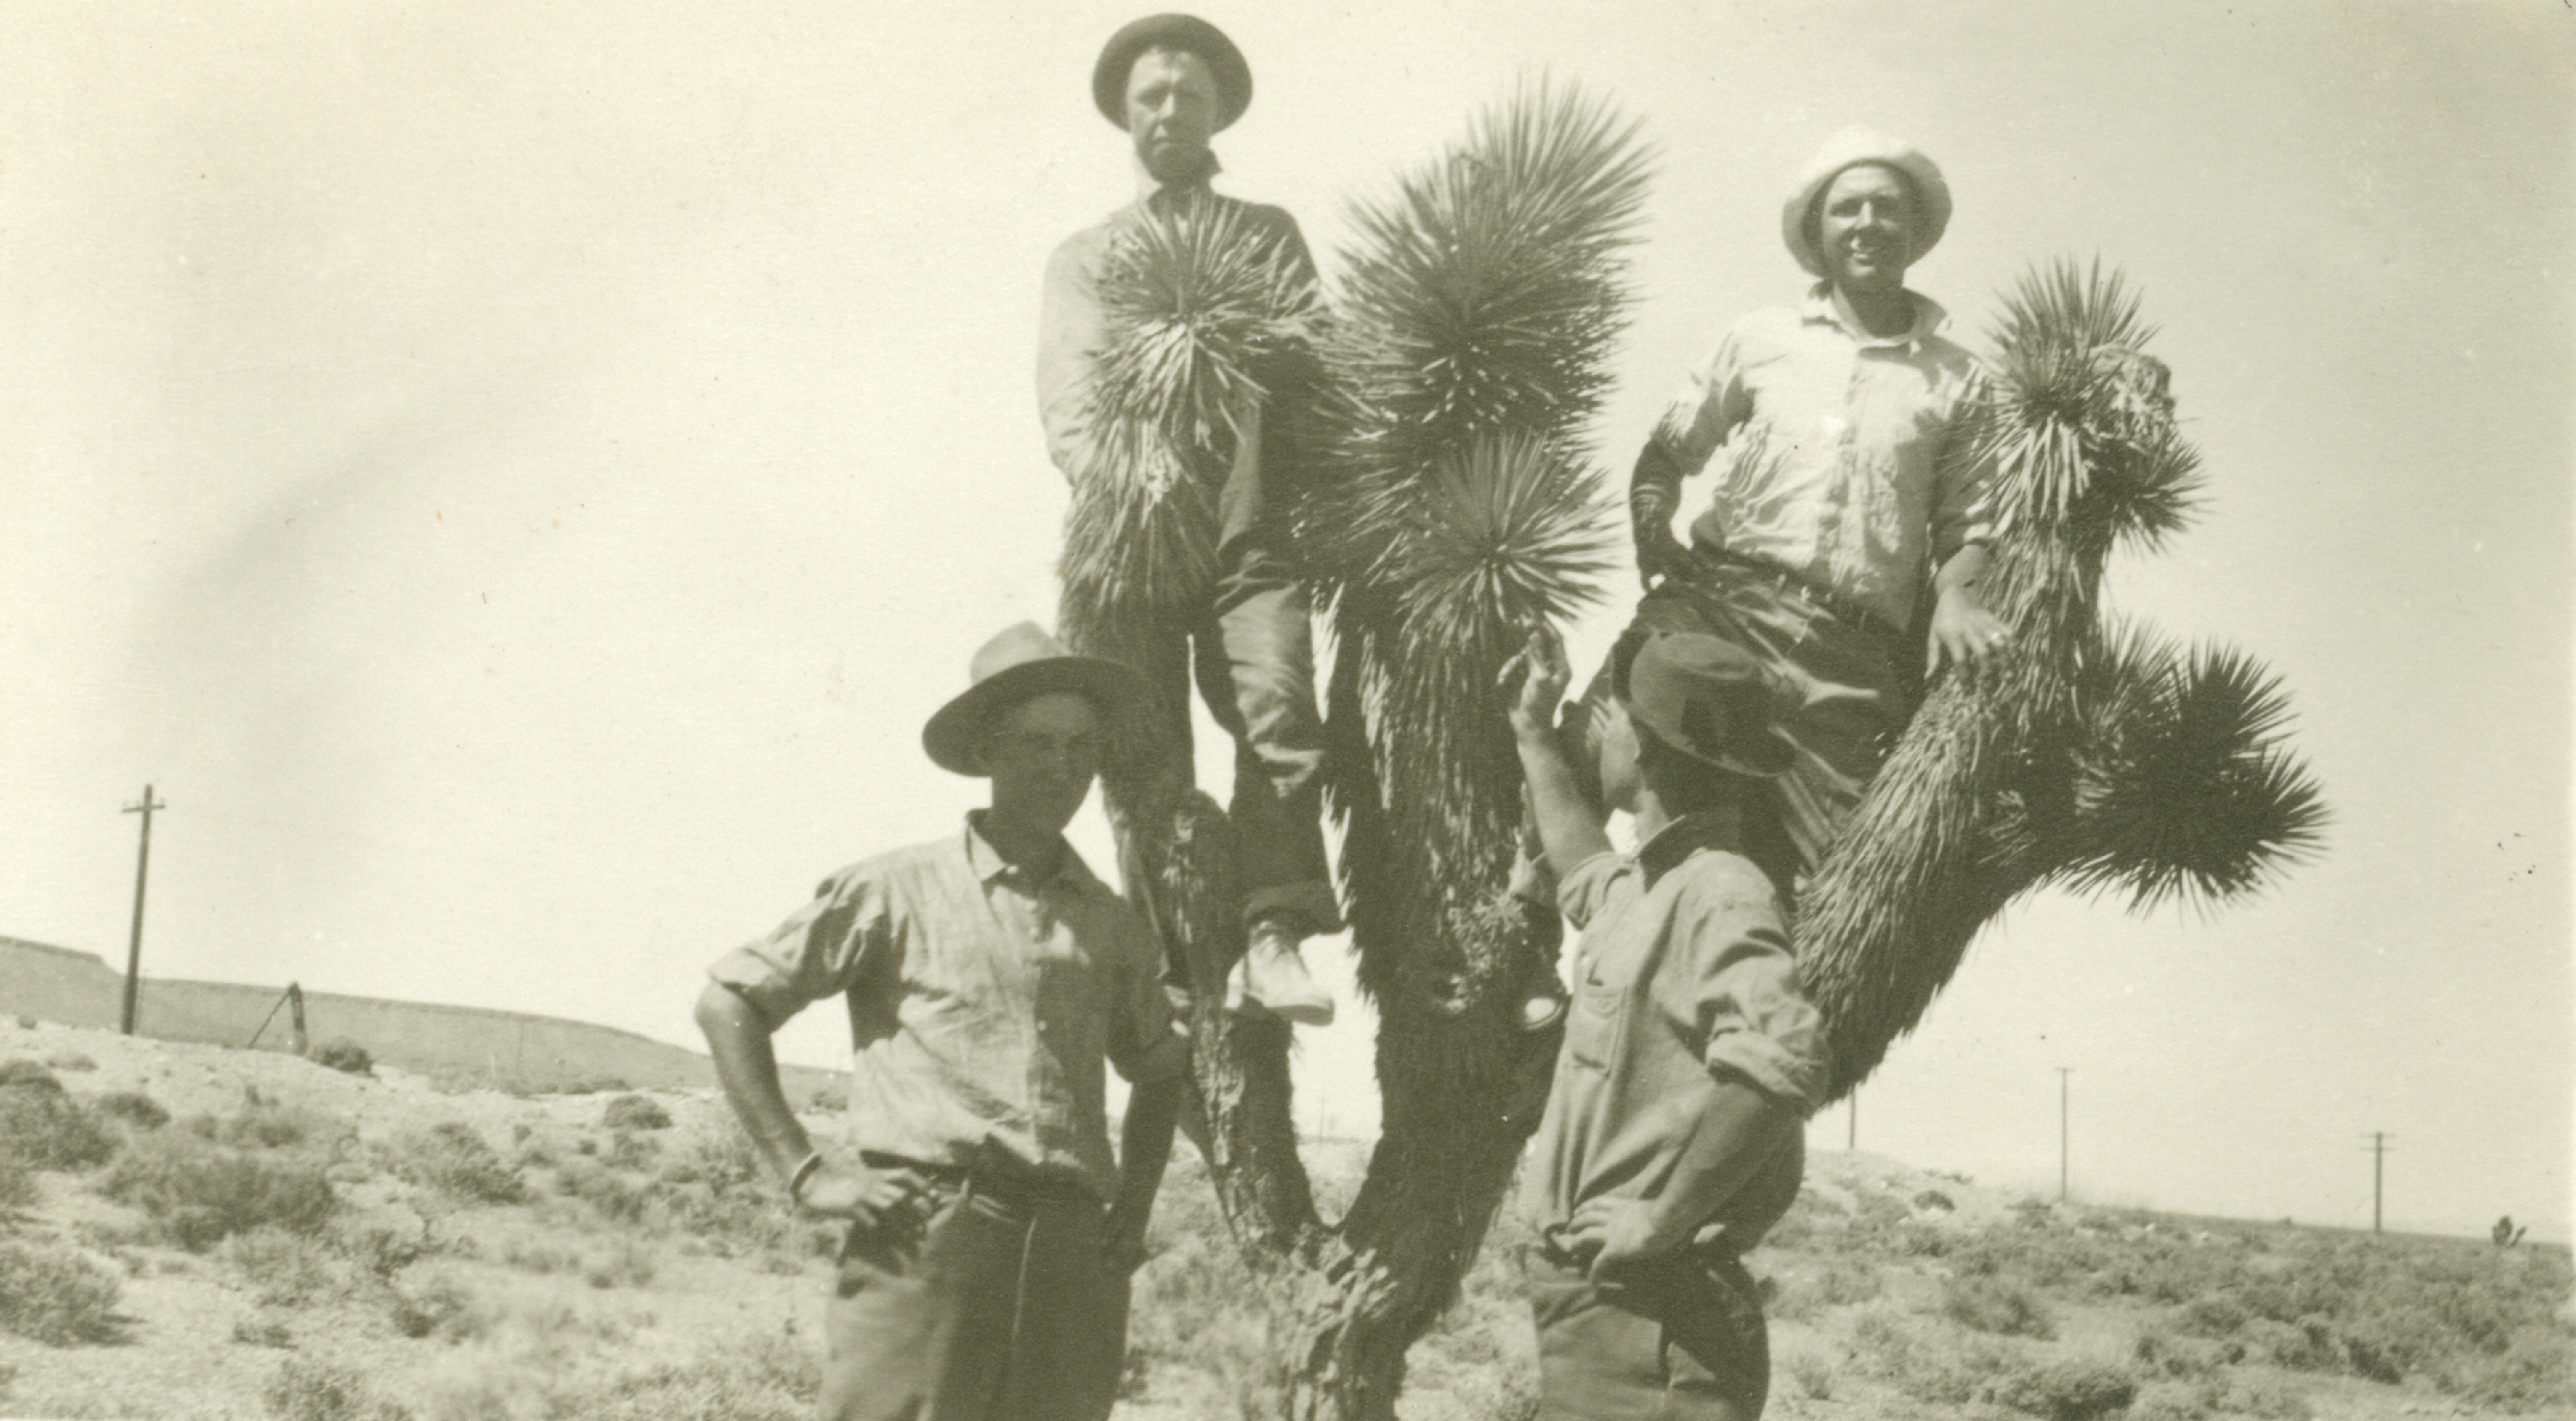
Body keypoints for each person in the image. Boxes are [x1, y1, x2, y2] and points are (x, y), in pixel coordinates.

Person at [694, 622, 1190, 1421]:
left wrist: (1132, 1210)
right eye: (1037, 742)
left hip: (1069, 1253)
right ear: (989, 750)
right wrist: (805, 1170)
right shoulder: (894, 889)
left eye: (1080, 746)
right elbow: (730, 1002)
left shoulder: (1114, 922)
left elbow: (1162, 1067)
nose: (1062, 766)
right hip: (928, 1236)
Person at [1036, 13, 1338, 1025]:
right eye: (1151, 96)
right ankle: (1169, 966)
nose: (1170, 111)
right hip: (1132, 535)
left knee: (1281, 711)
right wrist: (1135, 487)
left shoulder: (1266, 234)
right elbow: (1069, 406)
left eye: (1189, 96)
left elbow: (1320, 361)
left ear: (1217, 115)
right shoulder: (1088, 257)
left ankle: (1272, 931)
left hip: (1252, 524)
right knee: (1143, 753)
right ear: (1126, 114)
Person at [1624, 128, 2012, 885]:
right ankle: (1534, 920)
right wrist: (1650, 524)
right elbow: (1669, 449)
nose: (1868, 223)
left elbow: (1971, 523)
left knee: (1828, 875)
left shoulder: (1962, 380)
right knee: (1611, 748)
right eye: (1848, 209)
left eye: (1887, 209)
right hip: (1723, 605)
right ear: (1818, 232)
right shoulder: (1761, 337)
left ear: (1914, 230)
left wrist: (1959, 595)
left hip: (1850, 654)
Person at [1503, 622, 1828, 1421]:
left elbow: (1781, 1058)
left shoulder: (1720, 889)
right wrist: (1532, 734)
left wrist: (1661, 1217)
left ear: (1640, 750)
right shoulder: (1655, 887)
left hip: (1654, 1324)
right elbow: (1582, 866)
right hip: (1605, 1320)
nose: (1602, 734)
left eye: (1612, 719)